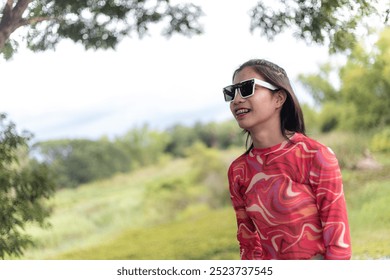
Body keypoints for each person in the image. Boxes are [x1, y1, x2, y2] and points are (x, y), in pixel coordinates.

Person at [224, 59, 352, 260]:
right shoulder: (238, 170)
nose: (237, 100)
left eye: (247, 88)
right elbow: (248, 244)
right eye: (232, 92)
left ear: (279, 98)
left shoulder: (315, 155)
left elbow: (338, 242)